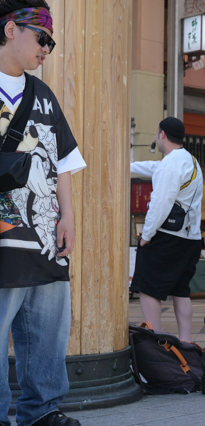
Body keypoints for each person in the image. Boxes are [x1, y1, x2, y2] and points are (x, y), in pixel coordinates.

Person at [0, 2, 87, 425]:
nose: (47, 49)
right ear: (11, 30)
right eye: (42, 38)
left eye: (51, 42)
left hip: (46, 235)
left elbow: (64, 162)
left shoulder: (44, 96)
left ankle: (41, 412)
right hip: (4, 236)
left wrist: (67, 216)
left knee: (48, 329)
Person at [130, 117, 203, 343]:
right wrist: (127, 166)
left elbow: (160, 203)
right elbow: (155, 168)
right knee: (181, 291)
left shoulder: (171, 164)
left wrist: (146, 236)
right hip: (190, 239)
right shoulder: (189, 160)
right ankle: (186, 342)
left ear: (162, 134)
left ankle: (156, 343)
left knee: (148, 288)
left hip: (168, 238)